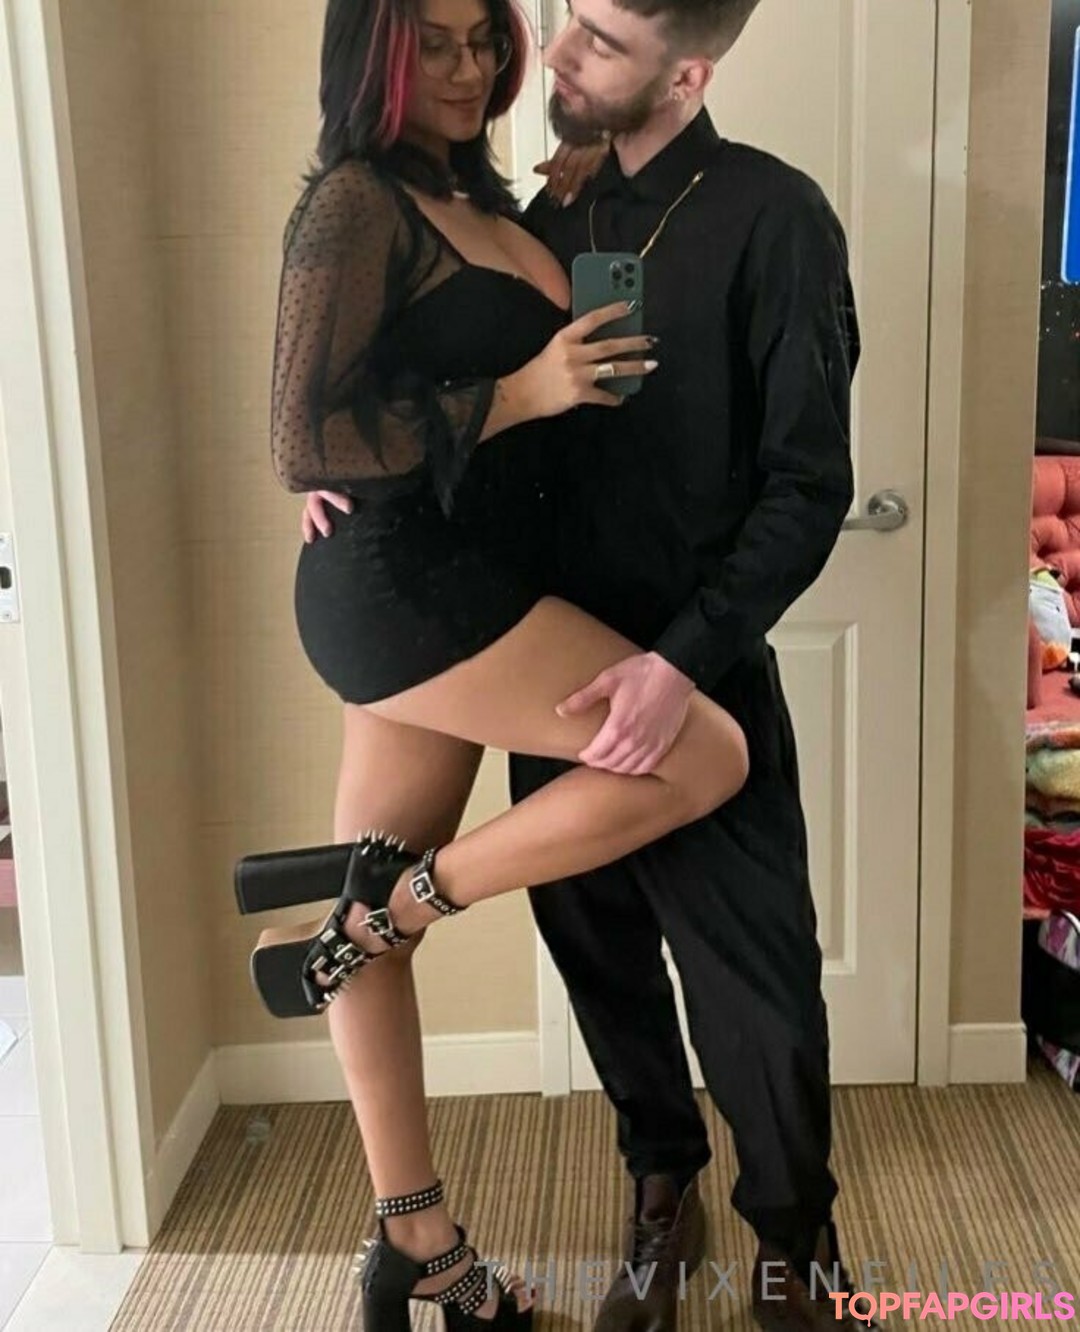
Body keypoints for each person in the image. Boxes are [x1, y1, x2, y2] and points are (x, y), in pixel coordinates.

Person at [308, 0, 876, 1326]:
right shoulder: (538, 213)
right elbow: (405, 383)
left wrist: (681, 663)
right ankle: (660, 1190)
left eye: (601, 42)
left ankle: (795, 1249)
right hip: (546, 663)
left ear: (688, 73)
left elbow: (808, 487)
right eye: (568, 25)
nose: (551, 57)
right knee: (601, 961)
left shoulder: (775, 217)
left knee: (760, 992)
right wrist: (345, 473)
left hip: (695, 668)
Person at [243, 0, 750, 1327]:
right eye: (437, 45)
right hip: (407, 589)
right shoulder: (351, 205)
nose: (469, 68)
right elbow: (300, 437)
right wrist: (522, 394)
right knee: (704, 753)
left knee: (357, 909)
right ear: (375, 54)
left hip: (471, 584)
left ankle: (418, 1248)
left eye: (484, 41)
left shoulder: (484, 199)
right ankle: (407, 901)